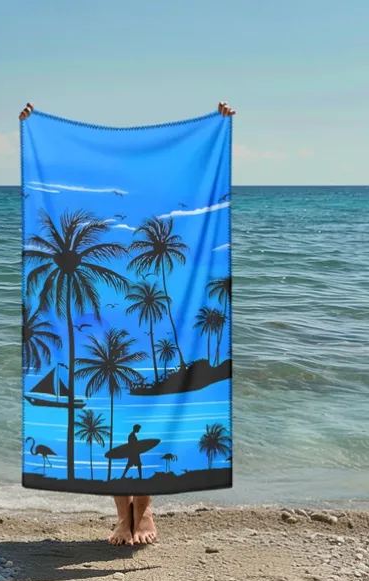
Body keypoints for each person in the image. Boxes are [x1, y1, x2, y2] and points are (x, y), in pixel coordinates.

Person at [19, 99, 235, 546]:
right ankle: (122, 515)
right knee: (108, 415)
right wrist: (34, 128)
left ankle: (146, 508)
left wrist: (219, 126)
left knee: (150, 419)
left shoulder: (162, 226)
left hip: (154, 308)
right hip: (98, 318)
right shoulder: (91, 225)